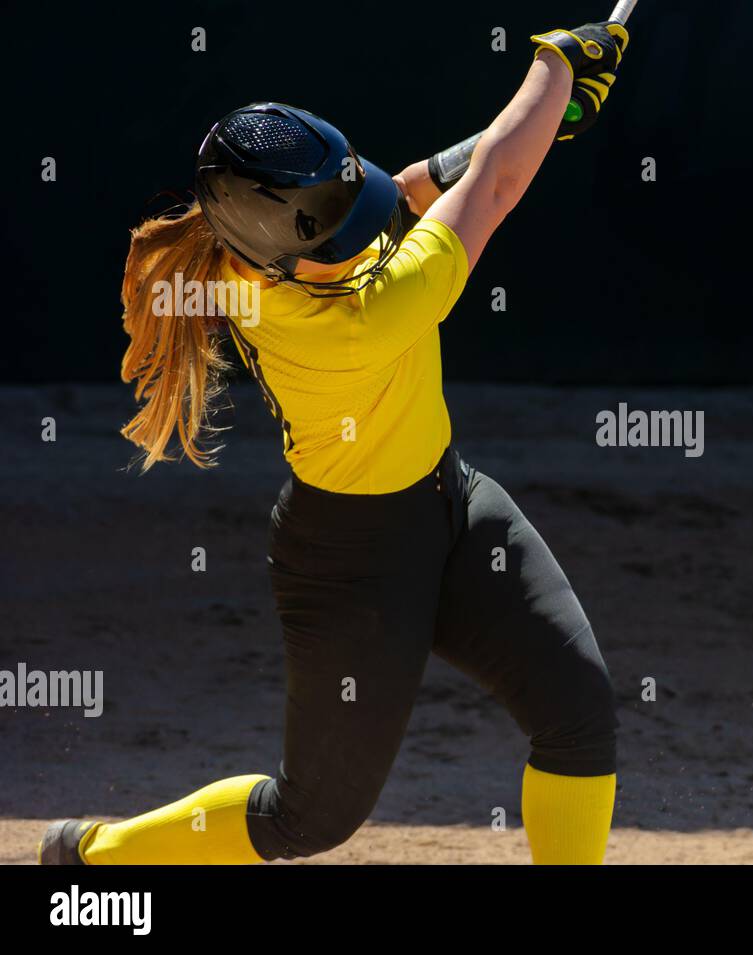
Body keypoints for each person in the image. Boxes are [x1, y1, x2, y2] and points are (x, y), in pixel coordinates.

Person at [39, 20, 629, 866]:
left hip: (452, 505)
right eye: (338, 236)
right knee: (306, 817)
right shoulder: (362, 318)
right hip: (351, 563)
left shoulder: (255, 253)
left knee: (579, 715)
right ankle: (90, 853)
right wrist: (556, 65)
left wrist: (543, 116)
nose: (363, 236)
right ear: (282, 256)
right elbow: (492, 185)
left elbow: (416, 187)